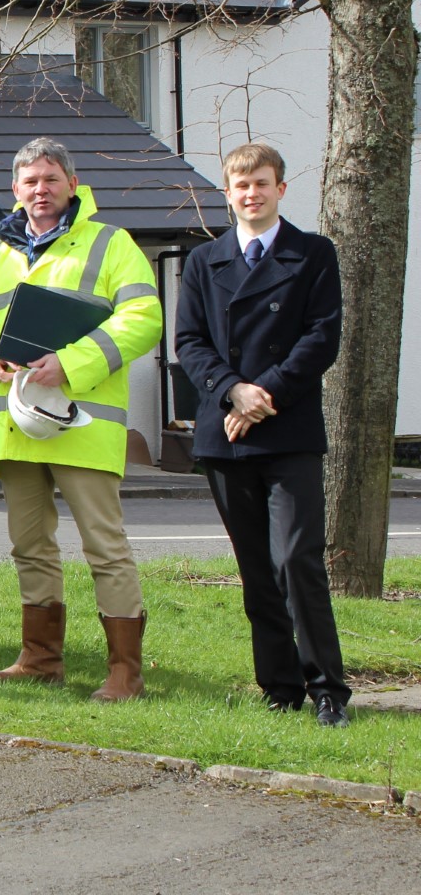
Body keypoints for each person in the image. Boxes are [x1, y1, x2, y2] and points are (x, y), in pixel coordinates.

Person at [0, 137, 162, 701]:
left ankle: (125, 673)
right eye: (30, 182)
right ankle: (41, 658)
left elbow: (144, 317)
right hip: (16, 424)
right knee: (30, 545)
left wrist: (69, 363)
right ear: (15, 190)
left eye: (50, 179)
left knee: (104, 547)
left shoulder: (111, 243)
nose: (41, 190)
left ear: (72, 183)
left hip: (81, 422)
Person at [174, 143, 349, 727]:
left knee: (298, 560)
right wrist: (232, 390)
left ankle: (327, 689)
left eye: (262, 184)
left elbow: (321, 338)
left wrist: (261, 394)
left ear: (280, 189)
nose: (252, 194)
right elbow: (190, 342)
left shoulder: (313, 254)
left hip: (289, 430)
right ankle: (279, 687)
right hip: (225, 435)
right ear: (228, 193)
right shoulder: (204, 261)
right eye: (241, 185)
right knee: (255, 569)